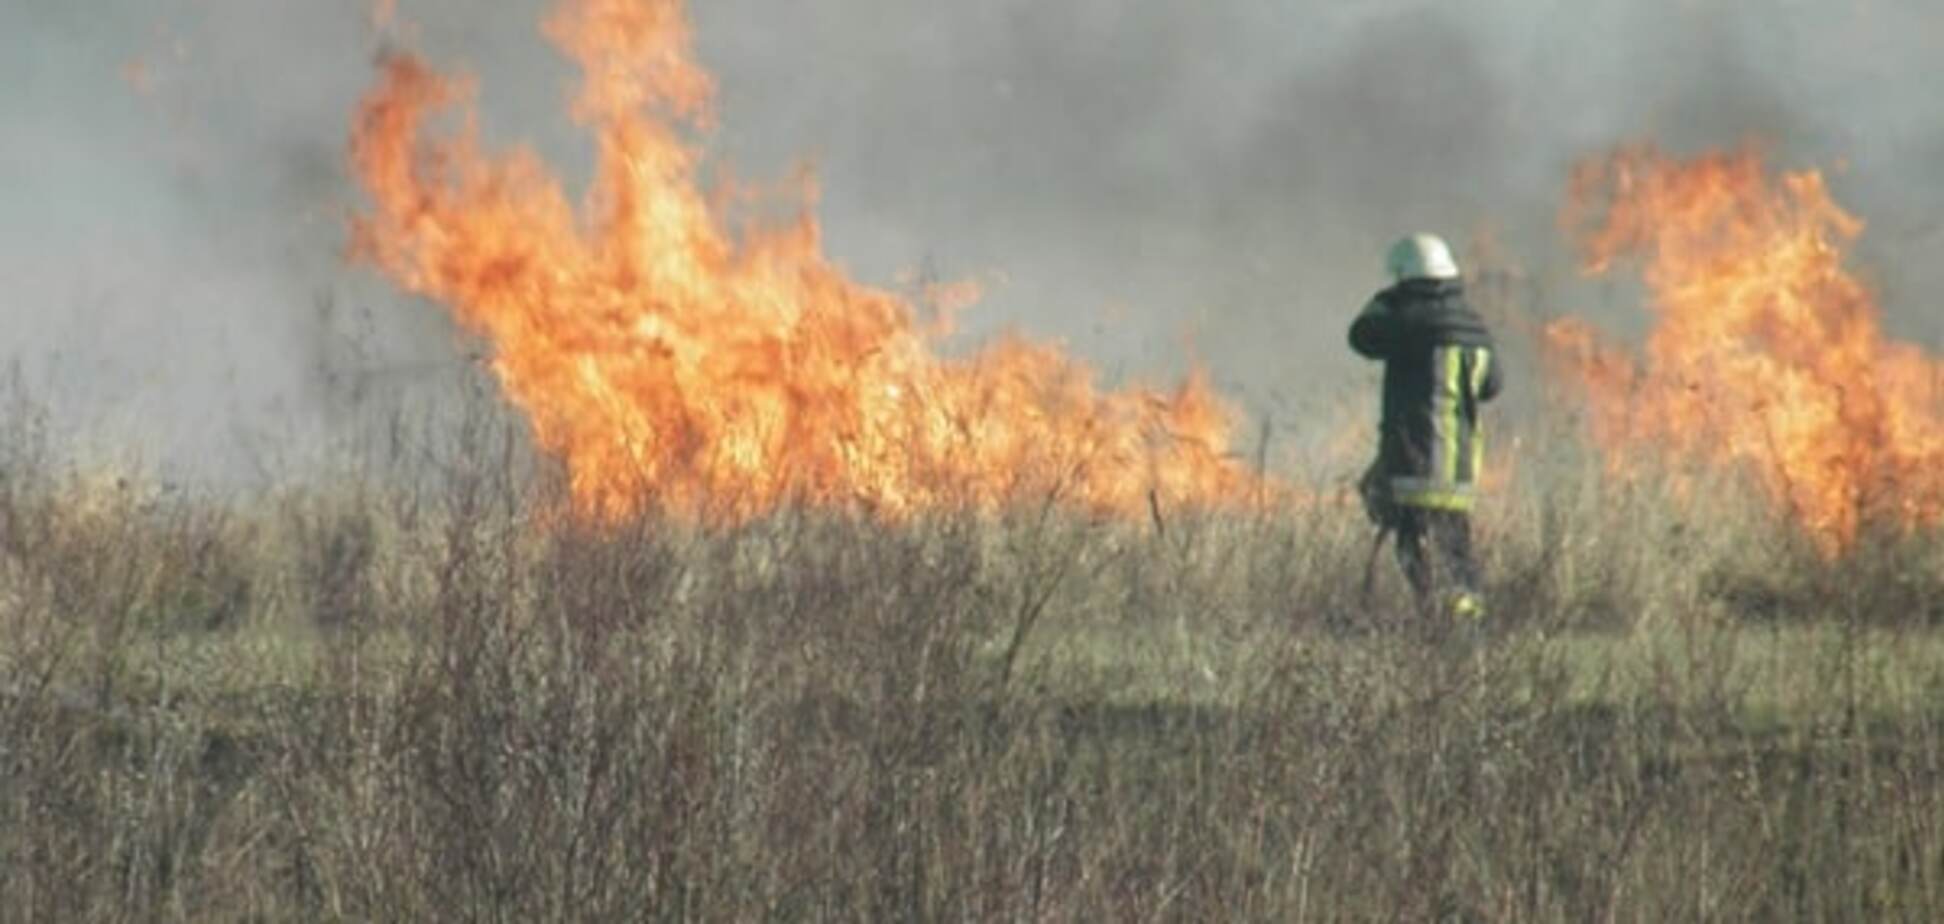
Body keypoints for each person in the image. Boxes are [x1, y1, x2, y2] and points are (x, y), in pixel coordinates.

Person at [1350, 233, 1504, 622]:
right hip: (1458, 469)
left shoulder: (1404, 322)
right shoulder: (1475, 329)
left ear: (1404, 277)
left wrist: (1386, 299)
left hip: (1414, 460)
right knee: (1456, 549)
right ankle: (1467, 619)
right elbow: (1491, 387)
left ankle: (1434, 614)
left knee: (1411, 543)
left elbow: (1362, 337)